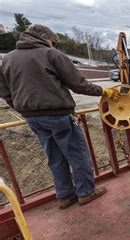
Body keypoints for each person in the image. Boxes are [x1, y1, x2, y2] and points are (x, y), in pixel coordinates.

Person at [0, 24, 120, 209]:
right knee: (77, 154)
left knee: (54, 156)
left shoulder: (8, 59)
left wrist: (18, 106)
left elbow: (4, 89)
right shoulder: (51, 55)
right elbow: (78, 84)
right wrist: (104, 91)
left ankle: (65, 196)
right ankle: (86, 192)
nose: (53, 45)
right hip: (58, 114)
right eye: (53, 41)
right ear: (45, 38)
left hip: (32, 118)